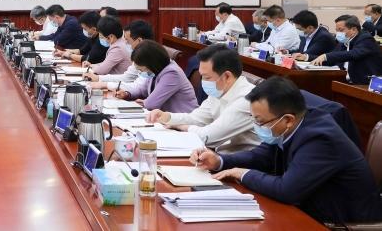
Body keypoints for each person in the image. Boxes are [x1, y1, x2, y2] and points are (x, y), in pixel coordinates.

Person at [191, 76, 382, 224]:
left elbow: (287, 190)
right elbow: (261, 156)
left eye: (260, 122)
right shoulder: (291, 125)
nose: (257, 126)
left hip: (339, 222)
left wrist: (242, 174)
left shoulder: (320, 138)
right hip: (307, 210)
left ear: (288, 120)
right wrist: (220, 160)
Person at [148, 45, 258, 153]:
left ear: (227, 76)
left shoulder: (247, 99)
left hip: (242, 161)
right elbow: (196, 119)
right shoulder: (220, 90)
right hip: (220, 154)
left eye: (207, 77)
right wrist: (167, 117)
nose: (203, 82)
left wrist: (183, 127)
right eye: (202, 76)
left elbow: (209, 137)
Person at [116, 40, 197, 113]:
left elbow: (151, 104)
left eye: (141, 70)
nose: (141, 72)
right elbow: (142, 89)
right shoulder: (156, 70)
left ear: (151, 63)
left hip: (183, 120)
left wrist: (145, 102)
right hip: (166, 118)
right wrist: (127, 94)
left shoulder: (172, 73)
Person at [311, 15, 382, 84]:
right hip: (345, 80)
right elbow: (332, 58)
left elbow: (354, 54)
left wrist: (326, 56)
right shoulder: (344, 42)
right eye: (337, 30)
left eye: (341, 30)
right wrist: (308, 58)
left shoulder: (366, 38)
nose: (338, 33)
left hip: (365, 84)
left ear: (354, 29)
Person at [89, 20, 152, 92]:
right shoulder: (140, 54)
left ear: (139, 41)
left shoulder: (149, 57)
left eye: (128, 40)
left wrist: (103, 82)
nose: (125, 43)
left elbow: (129, 79)